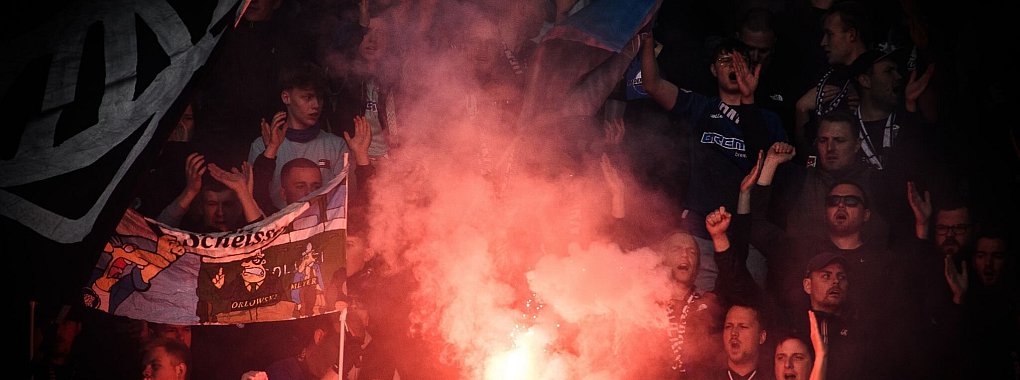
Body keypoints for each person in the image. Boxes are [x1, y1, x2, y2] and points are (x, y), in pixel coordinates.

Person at [641, 30, 787, 291]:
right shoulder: (701, 107)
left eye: (738, 61)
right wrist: (648, 40)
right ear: (712, 69)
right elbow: (653, 85)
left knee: (746, 310)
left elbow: (765, 162)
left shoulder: (769, 119)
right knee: (700, 311)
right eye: (724, 61)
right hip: (702, 231)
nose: (732, 67)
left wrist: (748, 99)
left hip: (748, 233)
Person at [248, 62, 351, 211]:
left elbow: (345, 202)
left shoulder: (336, 146)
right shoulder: (261, 146)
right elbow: (253, 201)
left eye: (320, 98)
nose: (316, 105)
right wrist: (270, 152)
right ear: (286, 97)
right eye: (307, 97)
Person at [793, 1, 872, 153]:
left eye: (830, 35)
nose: (823, 42)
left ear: (851, 35)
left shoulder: (876, 73)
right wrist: (801, 109)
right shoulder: (826, 74)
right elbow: (805, 150)